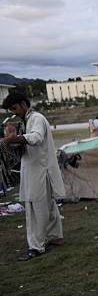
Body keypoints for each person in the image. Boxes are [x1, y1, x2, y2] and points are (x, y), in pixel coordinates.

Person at [1, 92, 65, 260]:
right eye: (10, 111)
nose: (13, 113)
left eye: (14, 108)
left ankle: (36, 247)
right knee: (48, 206)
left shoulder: (36, 118)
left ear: (23, 104)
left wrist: (12, 139)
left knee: (35, 210)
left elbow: (35, 138)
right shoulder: (25, 120)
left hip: (39, 171)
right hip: (35, 170)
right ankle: (55, 236)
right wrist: (12, 139)